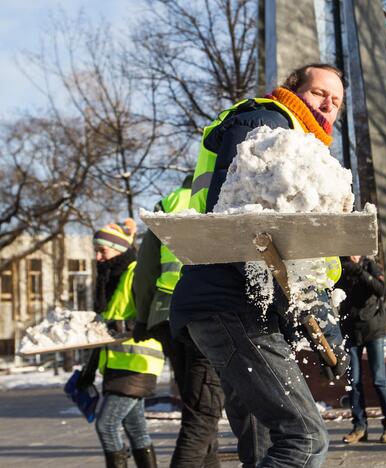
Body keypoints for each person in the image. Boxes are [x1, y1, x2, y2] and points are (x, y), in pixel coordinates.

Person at [169, 63, 349, 468]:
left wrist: (321, 317)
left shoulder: (300, 148)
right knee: (304, 438)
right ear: (293, 89)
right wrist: (313, 311)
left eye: (336, 102)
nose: (328, 105)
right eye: (320, 93)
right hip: (230, 303)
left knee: (262, 443)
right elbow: (240, 220)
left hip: (228, 304)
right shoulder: (265, 123)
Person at [132, 176, 226, 468]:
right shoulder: (221, 199)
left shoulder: (168, 203)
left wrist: (141, 316)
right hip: (205, 315)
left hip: (166, 315)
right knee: (204, 412)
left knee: (196, 408)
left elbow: (146, 269)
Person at [78, 219, 164, 468]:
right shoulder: (114, 280)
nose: (97, 257)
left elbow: (148, 314)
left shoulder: (135, 272)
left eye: (102, 250)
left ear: (119, 249)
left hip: (137, 363)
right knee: (136, 428)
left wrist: (117, 327)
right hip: (121, 365)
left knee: (106, 425)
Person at [336, 255, 386, 445]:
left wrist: (360, 272)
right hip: (350, 329)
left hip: (373, 328)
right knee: (353, 381)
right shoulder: (340, 266)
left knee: (379, 379)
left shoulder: (370, 265)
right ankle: (359, 427)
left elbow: (381, 290)